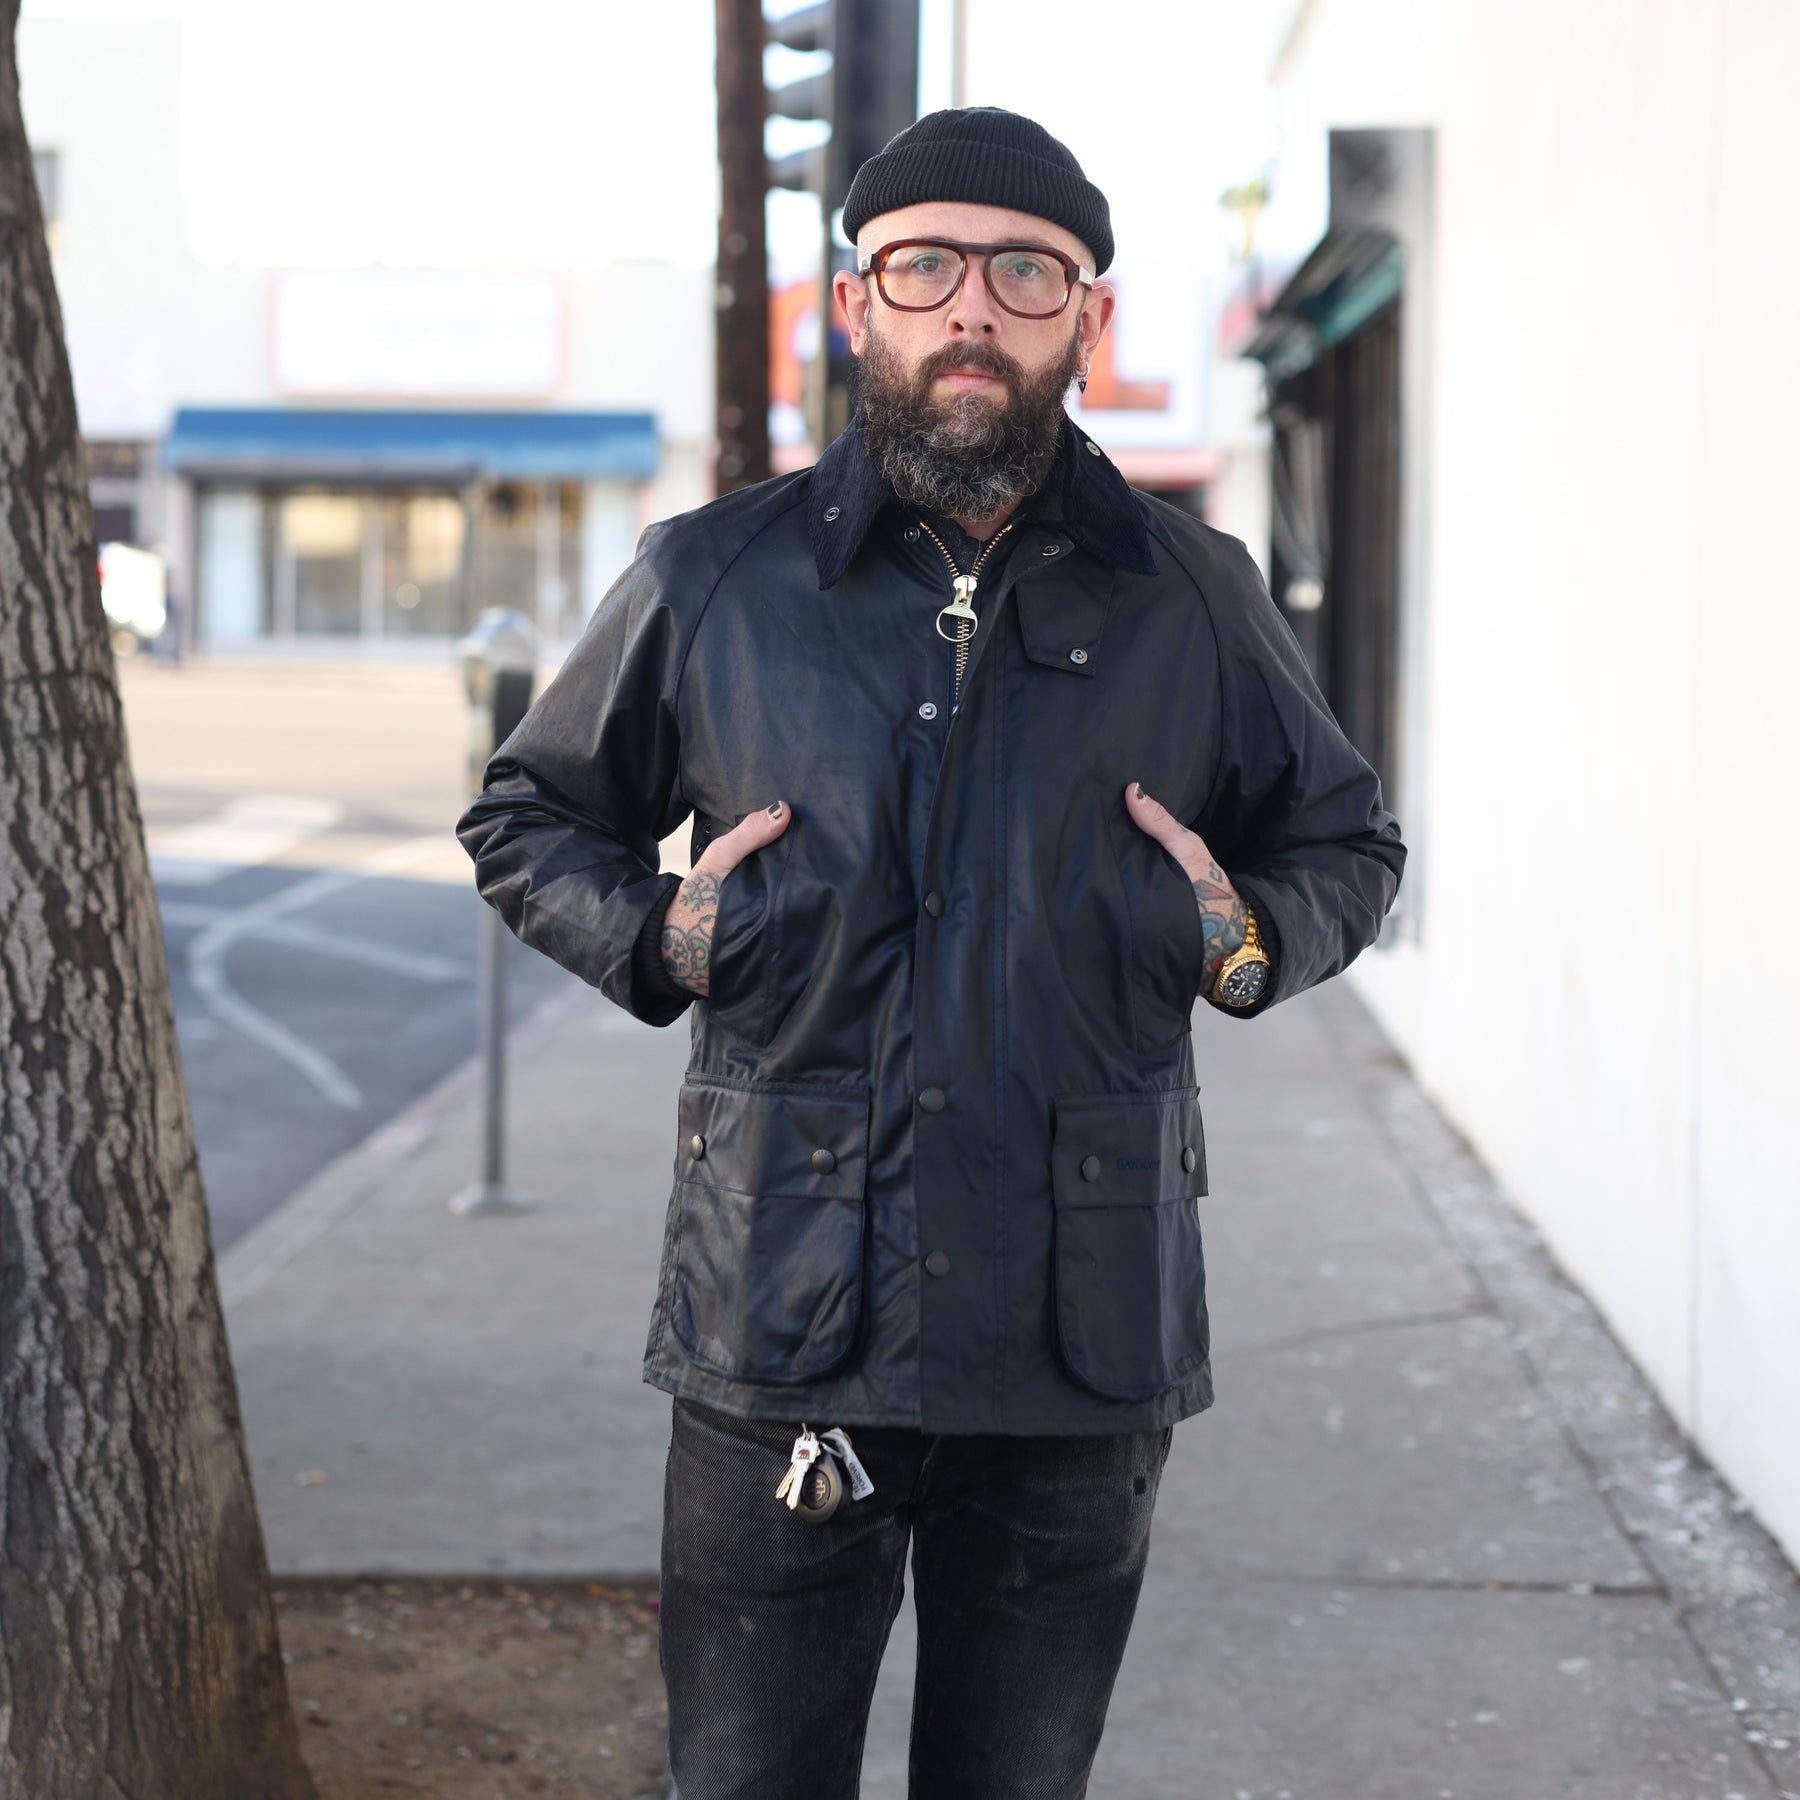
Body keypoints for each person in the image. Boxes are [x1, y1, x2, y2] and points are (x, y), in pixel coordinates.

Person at [458, 106, 1404, 1800]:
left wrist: (1243, 933)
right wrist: (657, 936)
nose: (974, 306)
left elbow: (1348, 841)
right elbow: (529, 816)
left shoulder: (1195, 594)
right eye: (927, 267)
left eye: (1025, 272)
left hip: (1081, 1334)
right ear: (860, 307)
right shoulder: (715, 580)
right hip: (783, 1308)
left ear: (1087, 324)